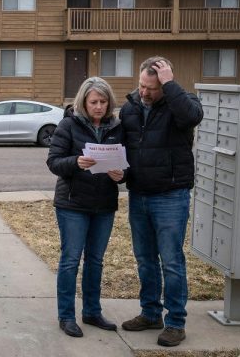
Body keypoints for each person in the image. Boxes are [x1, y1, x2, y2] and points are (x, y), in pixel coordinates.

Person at [119, 56, 203, 347]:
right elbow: (124, 149)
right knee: (145, 260)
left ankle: (175, 322)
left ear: (165, 84)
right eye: (141, 85)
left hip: (171, 195)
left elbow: (193, 117)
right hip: (139, 194)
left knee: (171, 261)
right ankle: (150, 312)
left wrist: (169, 85)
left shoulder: (181, 103)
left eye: (151, 88)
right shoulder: (130, 107)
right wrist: (120, 173)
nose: (144, 93)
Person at [47, 77, 124, 338]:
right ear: (83, 101)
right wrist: (75, 162)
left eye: (103, 102)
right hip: (72, 203)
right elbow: (54, 162)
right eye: (94, 102)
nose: (99, 107)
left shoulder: (117, 127)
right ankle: (66, 316)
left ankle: (92, 311)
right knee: (70, 261)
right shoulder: (68, 124)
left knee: (95, 261)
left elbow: (126, 165)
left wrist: (121, 175)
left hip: (103, 205)